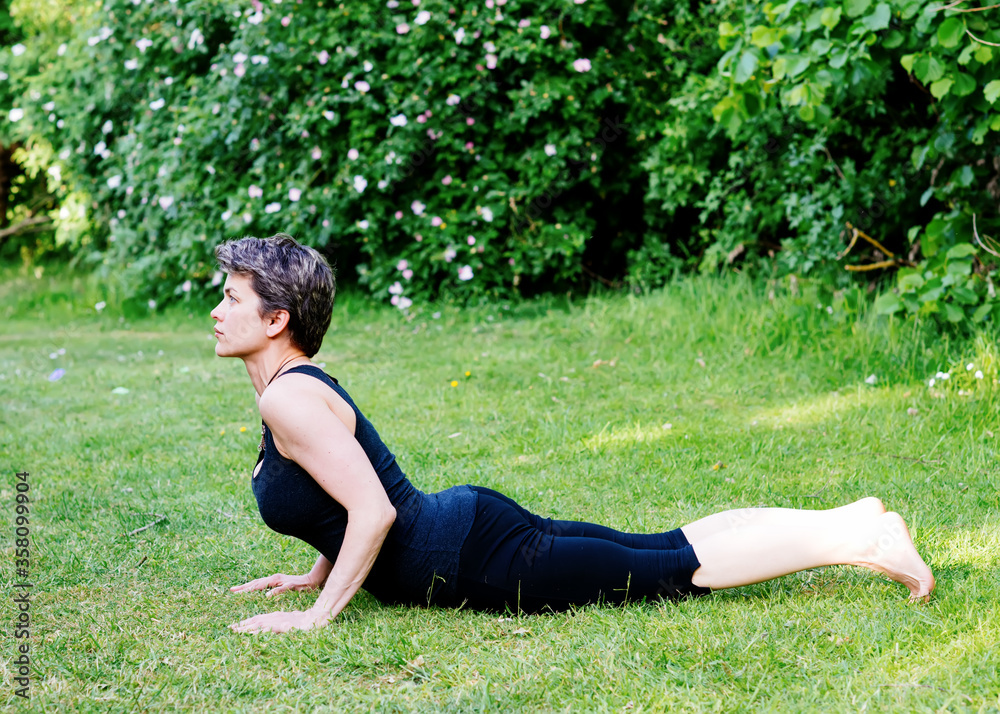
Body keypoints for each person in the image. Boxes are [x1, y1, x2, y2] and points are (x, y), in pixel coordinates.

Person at [212, 234, 935, 635]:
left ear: (277, 319)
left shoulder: (291, 402)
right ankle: (850, 518)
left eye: (231, 297)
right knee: (662, 547)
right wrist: (317, 568)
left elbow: (374, 511)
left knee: (667, 571)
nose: (218, 310)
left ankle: (855, 543)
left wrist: (316, 616)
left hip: (475, 558)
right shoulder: (293, 390)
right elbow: (340, 502)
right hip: (469, 530)